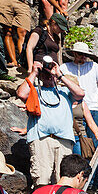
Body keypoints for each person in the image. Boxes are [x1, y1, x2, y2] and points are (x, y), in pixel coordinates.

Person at [16, 55, 85, 186]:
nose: (48, 76)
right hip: (41, 139)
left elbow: (80, 94)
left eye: (50, 73)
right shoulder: (34, 91)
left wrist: (59, 74)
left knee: (64, 181)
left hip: (63, 140)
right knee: (42, 179)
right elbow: (21, 94)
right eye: (45, 73)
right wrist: (34, 72)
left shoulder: (64, 91)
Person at [61, 41, 98, 155]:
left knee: (95, 143)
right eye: (81, 54)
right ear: (74, 53)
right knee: (78, 145)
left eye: (85, 54)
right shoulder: (65, 67)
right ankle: (81, 172)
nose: (84, 57)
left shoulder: (93, 66)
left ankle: (94, 173)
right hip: (75, 109)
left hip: (94, 108)